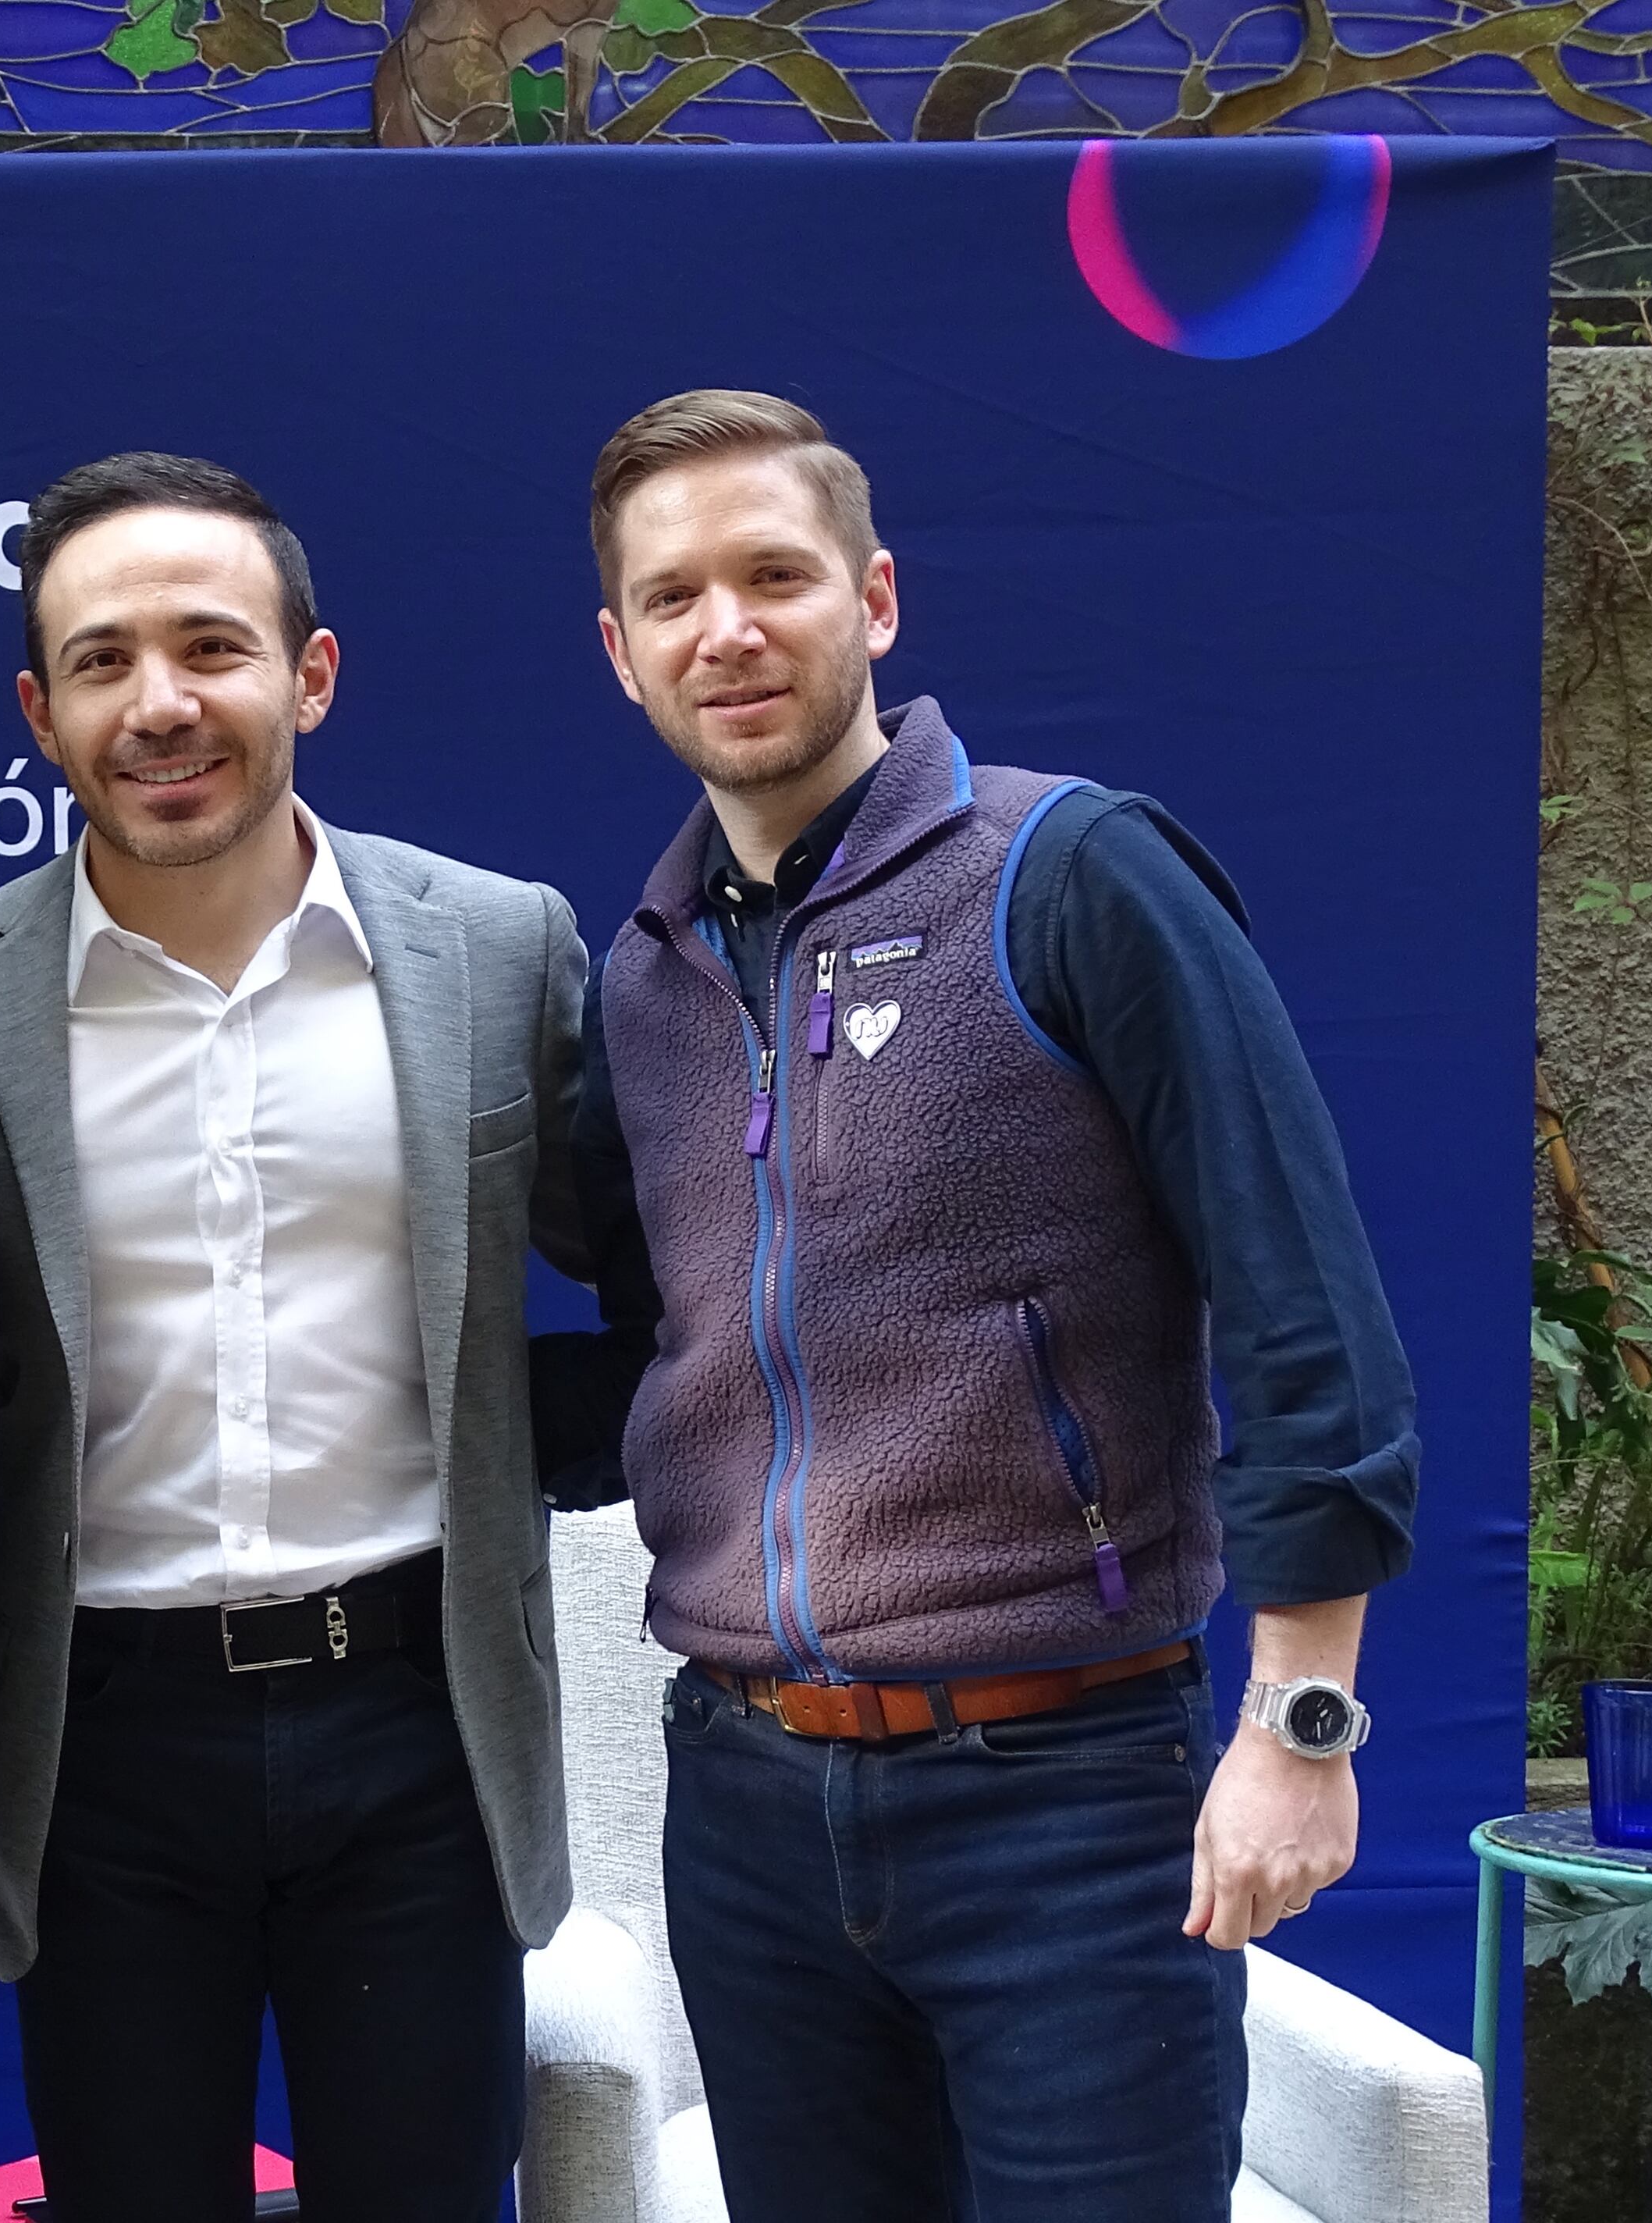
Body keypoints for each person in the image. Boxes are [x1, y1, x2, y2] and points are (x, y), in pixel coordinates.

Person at [578, 388, 1420, 2221]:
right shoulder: (640, 984)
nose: (726, 629)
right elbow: (676, 1349)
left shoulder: (1072, 872)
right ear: (621, 651)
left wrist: (1301, 1719)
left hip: (1067, 1798)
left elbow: (1302, 1305)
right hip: (743, 1808)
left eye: (774, 575)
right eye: (673, 597)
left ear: (873, 598)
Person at [0, 452, 648, 2223]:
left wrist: (513, 1436)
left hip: (417, 1725)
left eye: (210, 647)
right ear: (38, 711)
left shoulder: (494, 951)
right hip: (100, 1747)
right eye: (101, 660)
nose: (159, 703)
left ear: (308, 676)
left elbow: (675, 1291)